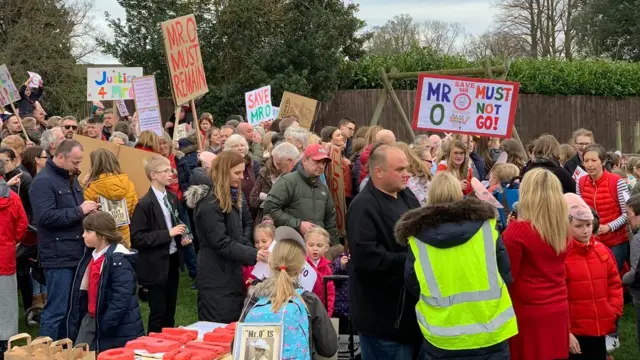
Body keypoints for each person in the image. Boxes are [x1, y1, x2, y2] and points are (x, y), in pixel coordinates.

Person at [395, 172, 516, 359]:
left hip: (441, 336)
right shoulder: (487, 227)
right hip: (491, 331)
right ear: (459, 193)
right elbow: (505, 274)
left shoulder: (417, 239)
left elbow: (412, 283)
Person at [347, 143, 422, 359]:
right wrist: (409, 262)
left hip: (409, 314)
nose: (406, 174)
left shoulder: (407, 196)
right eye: (400, 170)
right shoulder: (363, 206)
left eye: (406, 168)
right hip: (384, 319)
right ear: (378, 172)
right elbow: (366, 258)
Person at [29, 140, 99, 339]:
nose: (78, 167)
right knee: (57, 310)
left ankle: (66, 349)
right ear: (60, 157)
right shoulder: (43, 182)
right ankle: (46, 351)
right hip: (57, 256)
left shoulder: (70, 178)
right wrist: (79, 210)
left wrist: (88, 211)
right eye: (75, 162)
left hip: (76, 252)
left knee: (73, 308)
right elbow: (45, 217)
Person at [185, 151, 265, 323]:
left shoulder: (229, 198)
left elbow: (235, 236)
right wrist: (253, 255)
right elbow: (220, 242)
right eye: (237, 173)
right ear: (223, 172)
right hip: (216, 278)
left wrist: (257, 252)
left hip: (229, 274)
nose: (242, 177)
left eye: (243, 172)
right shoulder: (210, 203)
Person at [238, 226, 338, 359]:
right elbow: (328, 349)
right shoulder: (308, 300)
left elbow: (237, 346)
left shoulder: (254, 297)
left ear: (271, 263)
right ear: (301, 268)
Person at [502, 168, 570, 360]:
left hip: (527, 311)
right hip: (558, 307)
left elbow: (508, 275)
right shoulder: (562, 229)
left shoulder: (518, 231)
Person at [66, 212, 144, 351]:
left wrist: (106, 323)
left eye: (88, 231)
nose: (83, 235)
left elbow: (121, 297)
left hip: (116, 326)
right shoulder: (91, 256)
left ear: (102, 235)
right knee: (79, 353)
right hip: (91, 317)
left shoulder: (118, 261)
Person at [130, 156, 190, 333]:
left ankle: (169, 341)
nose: (171, 173)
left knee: (171, 308)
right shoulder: (144, 204)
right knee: (158, 311)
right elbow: (138, 238)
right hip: (155, 264)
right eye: (166, 170)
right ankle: (154, 345)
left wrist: (182, 237)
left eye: (170, 169)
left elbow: (176, 223)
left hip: (172, 259)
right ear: (153, 175)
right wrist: (168, 234)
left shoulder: (171, 198)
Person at [564, 193, 623, 360]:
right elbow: (560, 296)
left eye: (589, 225)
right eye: (579, 226)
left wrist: (613, 311)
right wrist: (566, 330)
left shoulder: (602, 251)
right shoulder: (562, 256)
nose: (585, 231)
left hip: (599, 328)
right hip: (576, 331)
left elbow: (614, 284)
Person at [265, 143, 339, 245]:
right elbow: (270, 209)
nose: (321, 166)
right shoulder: (287, 182)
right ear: (304, 161)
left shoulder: (323, 188)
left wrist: (334, 249)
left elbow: (330, 222)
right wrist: (298, 224)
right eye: (317, 161)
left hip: (315, 252)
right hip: (291, 247)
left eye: (324, 162)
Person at [577, 144, 629, 271]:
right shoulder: (581, 182)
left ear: (603, 161)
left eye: (593, 160)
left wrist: (609, 227)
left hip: (616, 242)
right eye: (586, 161)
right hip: (591, 240)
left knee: (613, 274)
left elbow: (627, 214)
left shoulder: (617, 182)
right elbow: (579, 211)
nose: (589, 165)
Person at [83, 148, 138, 248]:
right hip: (123, 240)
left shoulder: (91, 189)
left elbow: (86, 216)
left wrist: (83, 185)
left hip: (101, 241)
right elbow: (134, 211)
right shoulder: (129, 185)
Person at [0, 160, 28, 355]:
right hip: (6, 256)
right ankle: (5, 341)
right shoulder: (14, 198)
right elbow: (22, 224)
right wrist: (12, 240)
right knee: (7, 299)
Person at [304, 226, 335, 317]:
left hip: (321, 311)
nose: (315, 248)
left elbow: (330, 293)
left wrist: (328, 313)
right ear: (305, 245)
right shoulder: (301, 265)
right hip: (304, 309)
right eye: (311, 245)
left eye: (319, 245)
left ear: (326, 247)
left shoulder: (327, 268)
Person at [225, 134, 261, 208]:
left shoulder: (253, 164)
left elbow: (260, 185)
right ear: (228, 149)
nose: (240, 148)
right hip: (235, 206)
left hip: (254, 207)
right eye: (236, 146)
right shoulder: (225, 165)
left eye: (242, 145)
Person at [624, 195, 640, 352]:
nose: (628, 219)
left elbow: (636, 273)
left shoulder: (638, 240)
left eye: (629, 214)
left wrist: (621, 278)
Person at [243, 222, 275, 289]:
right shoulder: (255, 260)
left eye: (264, 241)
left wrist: (272, 260)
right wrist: (254, 282)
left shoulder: (280, 258)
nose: (260, 245)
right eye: (257, 242)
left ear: (273, 241)